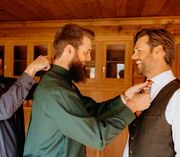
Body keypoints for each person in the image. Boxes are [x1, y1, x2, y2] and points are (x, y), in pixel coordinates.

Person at [24, 23, 152, 157]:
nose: (89, 58)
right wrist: (132, 107)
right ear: (69, 50)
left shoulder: (63, 84)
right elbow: (97, 137)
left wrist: (126, 97)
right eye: (86, 52)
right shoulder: (56, 90)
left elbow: (92, 112)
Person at [123, 28, 180, 157]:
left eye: (138, 51)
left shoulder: (178, 95)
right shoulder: (140, 91)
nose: (133, 56)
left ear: (157, 51)